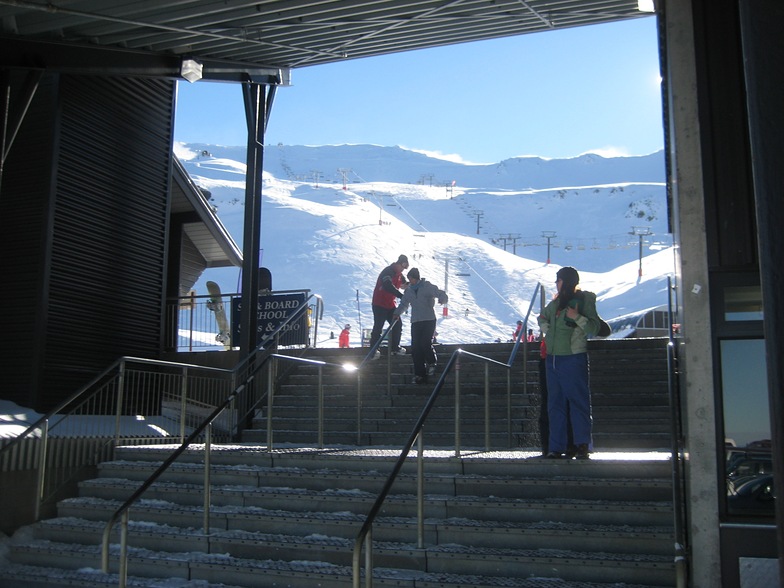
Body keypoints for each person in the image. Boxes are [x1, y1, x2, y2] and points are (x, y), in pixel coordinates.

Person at [537, 266, 601, 460]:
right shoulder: (556, 303)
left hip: (573, 357)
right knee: (554, 404)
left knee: (577, 401)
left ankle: (582, 445)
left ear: (567, 281)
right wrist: (546, 326)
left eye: (559, 280)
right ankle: (556, 447)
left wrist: (577, 318)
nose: (556, 283)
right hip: (553, 358)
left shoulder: (584, 300)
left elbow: (595, 327)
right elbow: (541, 317)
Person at [394, 268, 448, 384]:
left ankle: (432, 362)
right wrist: (396, 313)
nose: (410, 281)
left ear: (416, 278)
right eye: (409, 279)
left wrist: (442, 299)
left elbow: (439, 293)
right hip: (416, 321)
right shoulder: (409, 291)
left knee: (425, 342)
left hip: (428, 320)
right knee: (416, 347)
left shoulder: (426, 287)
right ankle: (420, 373)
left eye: (411, 279)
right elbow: (404, 304)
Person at [369, 254, 409, 356]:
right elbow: (387, 286)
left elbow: (405, 285)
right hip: (379, 303)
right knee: (378, 326)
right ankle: (373, 349)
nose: (403, 270)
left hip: (390, 304)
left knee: (397, 324)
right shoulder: (388, 271)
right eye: (402, 267)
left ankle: (395, 348)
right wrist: (401, 296)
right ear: (398, 264)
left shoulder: (399, 275)